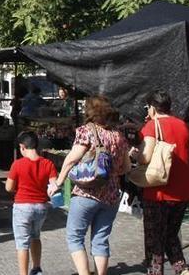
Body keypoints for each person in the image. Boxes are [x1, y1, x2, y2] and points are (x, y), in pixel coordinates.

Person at [51, 95, 131, 275]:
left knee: (75, 237)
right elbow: (126, 167)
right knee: (101, 239)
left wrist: (58, 182)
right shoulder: (118, 136)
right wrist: (109, 174)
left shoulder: (87, 131)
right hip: (111, 196)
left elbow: (71, 160)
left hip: (86, 194)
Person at [131, 91, 189, 275]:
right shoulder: (182, 125)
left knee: (155, 241)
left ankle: (155, 272)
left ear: (152, 107)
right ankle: (183, 271)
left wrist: (134, 154)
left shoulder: (151, 125)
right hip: (183, 190)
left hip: (159, 191)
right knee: (170, 236)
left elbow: (145, 157)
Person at [6, 131, 58, 275]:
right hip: (41, 207)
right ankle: (36, 269)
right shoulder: (48, 163)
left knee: (22, 243)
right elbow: (54, 186)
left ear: (22, 147)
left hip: (22, 206)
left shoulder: (17, 164)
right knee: (36, 236)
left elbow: (9, 187)